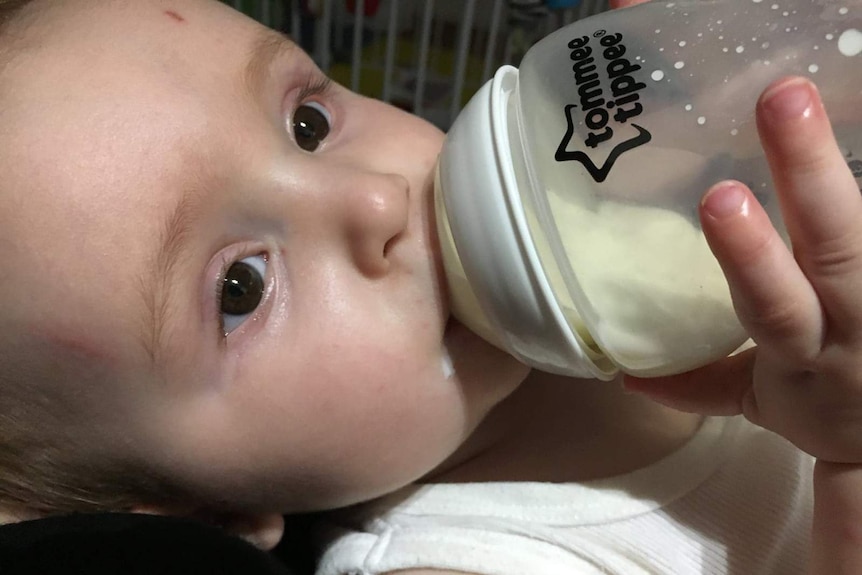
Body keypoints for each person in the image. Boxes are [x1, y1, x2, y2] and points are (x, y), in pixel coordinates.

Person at [0, 0, 860, 573]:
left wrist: (766, 89)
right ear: (205, 516)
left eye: (308, 123)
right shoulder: (457, 559)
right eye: (239, 287)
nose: (376, 196)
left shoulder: (619, 200)